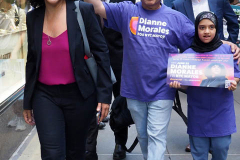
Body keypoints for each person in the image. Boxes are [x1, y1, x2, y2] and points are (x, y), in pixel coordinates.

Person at [22, 0, 112, 160]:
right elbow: (32, 61)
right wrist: (27, 101)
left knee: (75, 153)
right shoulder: (32, 17)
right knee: (52, 154)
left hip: (80, 96)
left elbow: (101, 51)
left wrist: (104, 96)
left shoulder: (83, 11)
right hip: (45, 97)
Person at [170, 11, 240, 160]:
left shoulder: (229, 51)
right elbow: (186, 84)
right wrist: (178, 84)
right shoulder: (187, 54)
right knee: (199, 153)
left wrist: (234, 82)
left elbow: (236, 75)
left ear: (217, 29)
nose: (206, 31)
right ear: (196, 29)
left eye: (211, 27)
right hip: (198, 113)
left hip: (222, 112)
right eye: (202, 27)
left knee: (221, 150)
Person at [172, 0, 239, 44]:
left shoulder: (219, 1)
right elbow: (174, 31)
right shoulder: (178, 5)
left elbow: (233, 22)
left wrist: (230, 43)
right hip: (190, 54)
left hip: (218, 51)